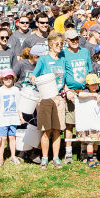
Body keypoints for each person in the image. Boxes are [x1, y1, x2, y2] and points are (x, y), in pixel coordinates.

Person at [31, 32, 67, 168]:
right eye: (57, 44)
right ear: (51, 45)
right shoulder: (43, 59)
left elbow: (64, 80)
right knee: (46, 130)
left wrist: (66, 91)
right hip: (45, 98)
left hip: (59, 99)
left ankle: (56, 158)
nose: (60, 46)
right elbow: (34, 75)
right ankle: (45, 158)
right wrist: (33, 78)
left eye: (61, 44)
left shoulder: (63, 59)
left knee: (57, 130)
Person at [62, 29, 92, 162]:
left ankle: (83, 151)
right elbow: (60, 74)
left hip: (84, 90)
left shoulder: (85, 51)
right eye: (72, 40)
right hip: (71, 92)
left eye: (76, 39)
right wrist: (66, 89)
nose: (75, 42)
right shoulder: (63, 54)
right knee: (70, 123)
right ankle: (68, 151)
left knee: (84, 123)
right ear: (66, 41)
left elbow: (89, 69)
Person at [75, 73, 100, 168]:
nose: (95, 86)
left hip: (98, 120)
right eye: (92, 84)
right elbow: (79, 94)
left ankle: (95, 155)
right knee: (90, 141)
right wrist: (93, 94)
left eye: (96, 84)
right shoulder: (85, 90)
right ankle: (89, 157)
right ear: (87, 85)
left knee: (97, 141)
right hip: (87, 120)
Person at [0, 69, 23, 166]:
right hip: (3, 119)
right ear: (2, 79)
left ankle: (13, 156)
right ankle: (0, 157)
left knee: (12, 137)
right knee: (3, 138)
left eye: (10, 78)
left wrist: (20, 116)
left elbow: (19, 105)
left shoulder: (16, 90)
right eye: (6, 78)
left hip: (13, 118)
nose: (8, 80)